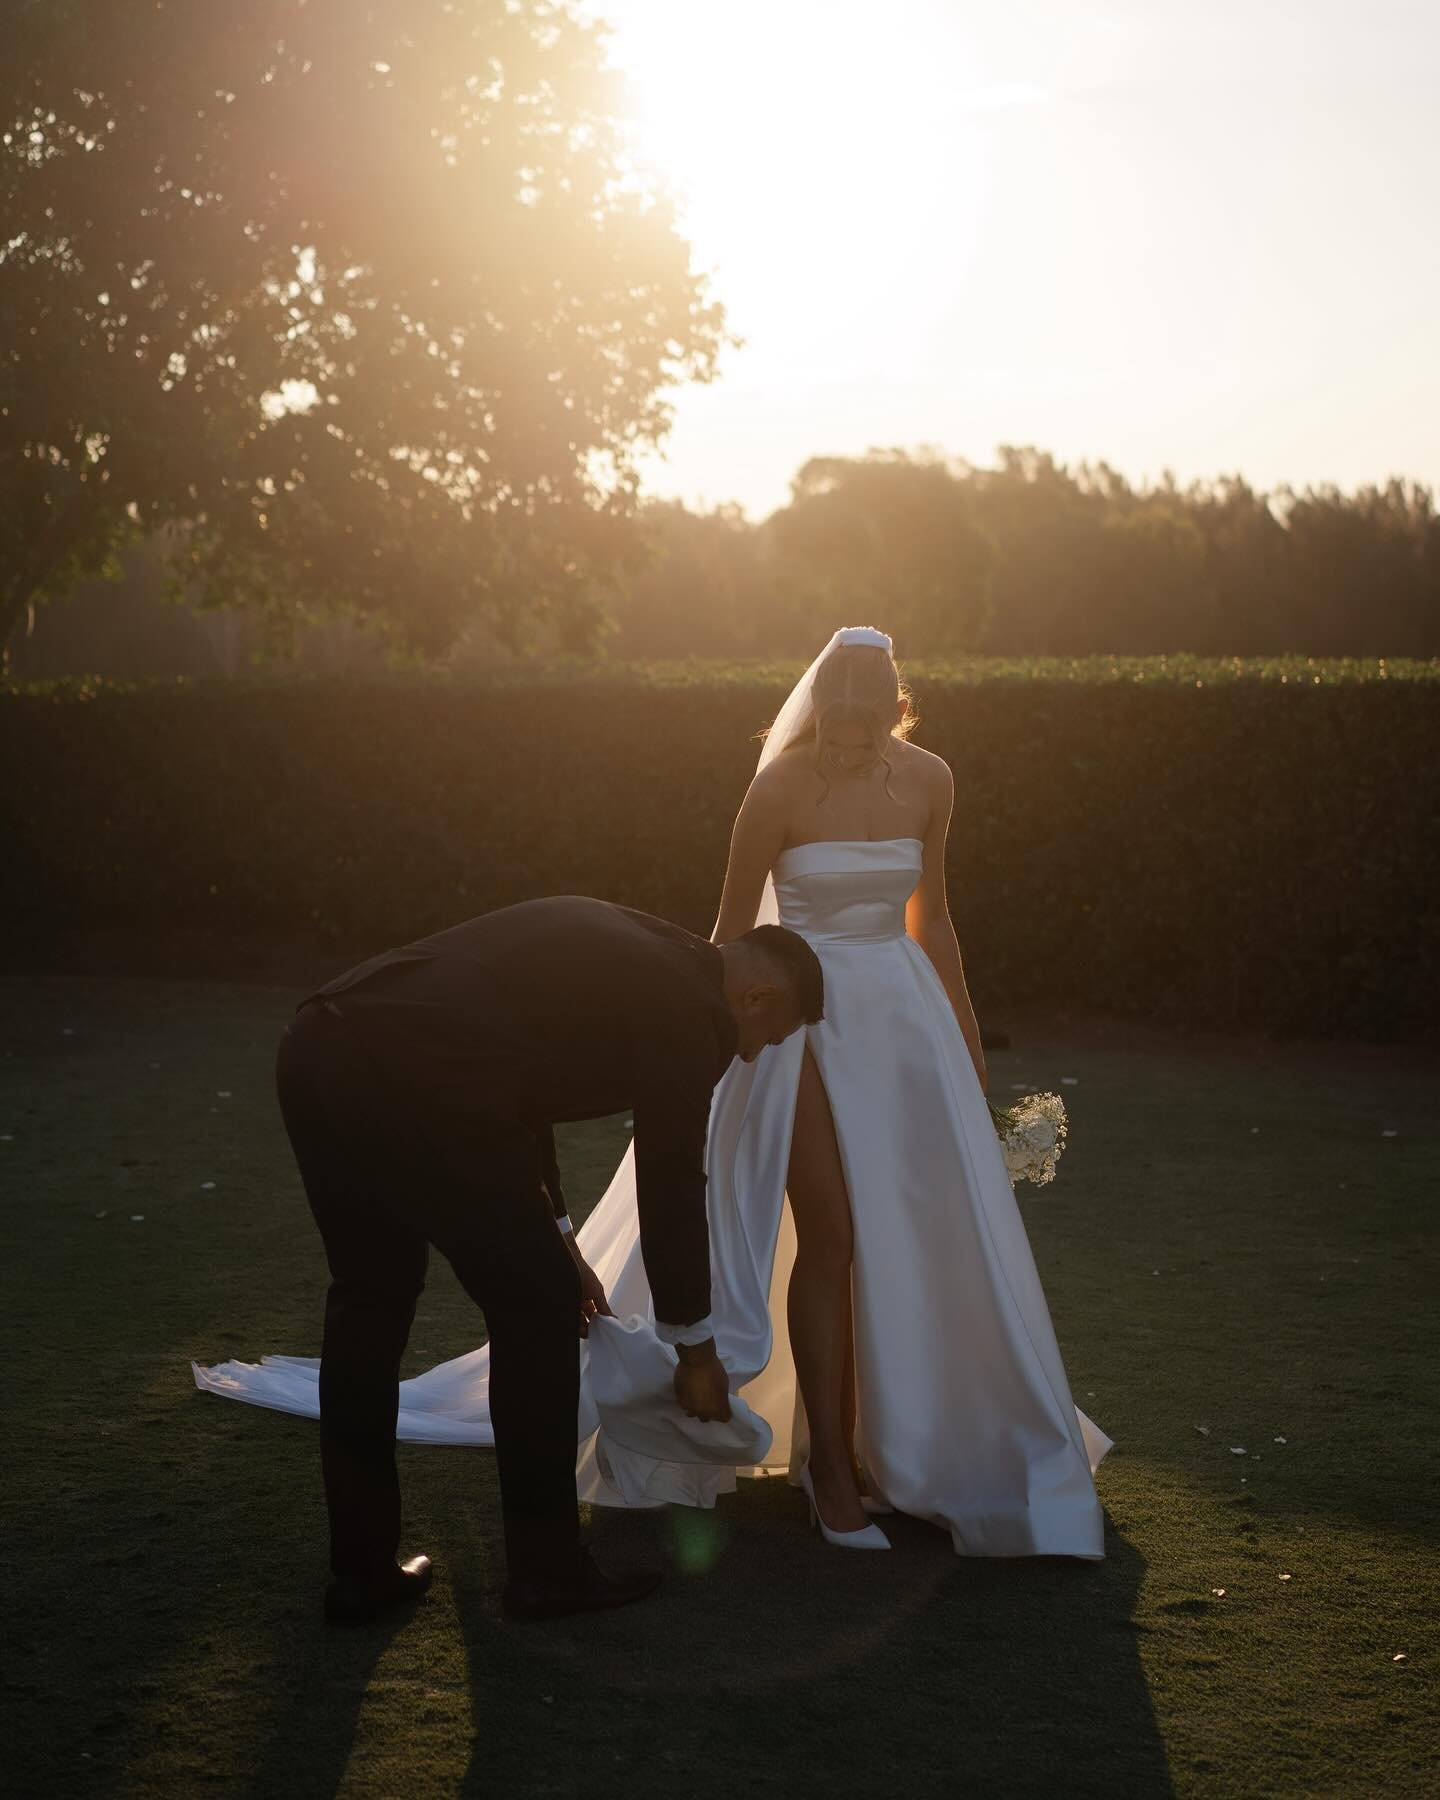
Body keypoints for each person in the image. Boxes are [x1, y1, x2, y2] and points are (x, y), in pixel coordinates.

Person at [201, 628, 1110, 1566]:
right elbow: (713, 983)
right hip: (728, 1030)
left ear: (899, 707)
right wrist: (718, 1070)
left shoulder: (928, 783)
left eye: (867, 723)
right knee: (779, 1245)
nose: (848, 740)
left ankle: (900, 1449)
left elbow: (936, 914)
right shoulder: (763, 828)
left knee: (906, 1231)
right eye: (834, 723)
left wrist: (962, 1034)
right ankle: (771, 1491)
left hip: (892, 1021)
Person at [225, 898, 821, 1623]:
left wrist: (563, 1240)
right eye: (770, 1033)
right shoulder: (693, 1010)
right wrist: (694, 1348)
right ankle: (547, 1573)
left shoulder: (653, 952)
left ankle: (362, 1574)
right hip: (420, 1076)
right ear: (757, 995)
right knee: (534, 1309)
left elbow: (522, 1089)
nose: (755, 1050)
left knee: (370, 1296)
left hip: (321, 1043)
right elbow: (670, 1174)